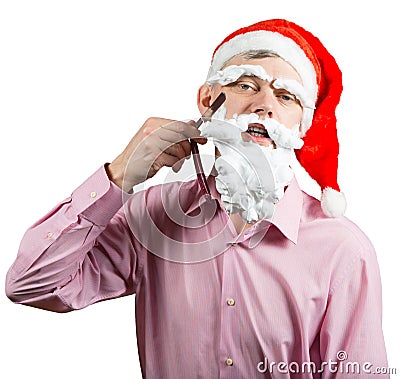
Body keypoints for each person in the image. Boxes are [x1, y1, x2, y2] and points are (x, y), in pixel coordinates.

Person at [6, 19, 389, 378]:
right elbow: (31, 284)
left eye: (286, 96)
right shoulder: (152, 217)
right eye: (245, 84)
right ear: (207, 100)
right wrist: (119, 175)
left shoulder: (343, 250)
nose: (264, 105)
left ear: (301, 126)